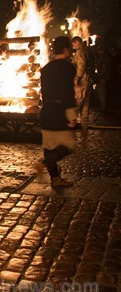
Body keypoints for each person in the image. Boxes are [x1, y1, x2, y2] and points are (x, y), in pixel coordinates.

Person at [38, 36, 77, 187]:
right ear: (66, 50)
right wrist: (72, 116)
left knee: (49, 146)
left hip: (46, 111)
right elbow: (67, 92)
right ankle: (43, 164)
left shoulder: (46, 68)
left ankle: (55, 179)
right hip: (59, 112)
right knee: (69, 145)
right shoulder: (67, 68)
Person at [71, 36, 93, 129]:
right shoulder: (87, 50)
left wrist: (77, 78)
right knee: (86, 104)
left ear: (77, 42)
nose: (73, 46)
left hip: (82, 82)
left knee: (77, 102)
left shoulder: (80, 52)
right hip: (88, 80)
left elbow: (81, 66)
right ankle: (84, 124)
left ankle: (72, 123)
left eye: (73, 43)